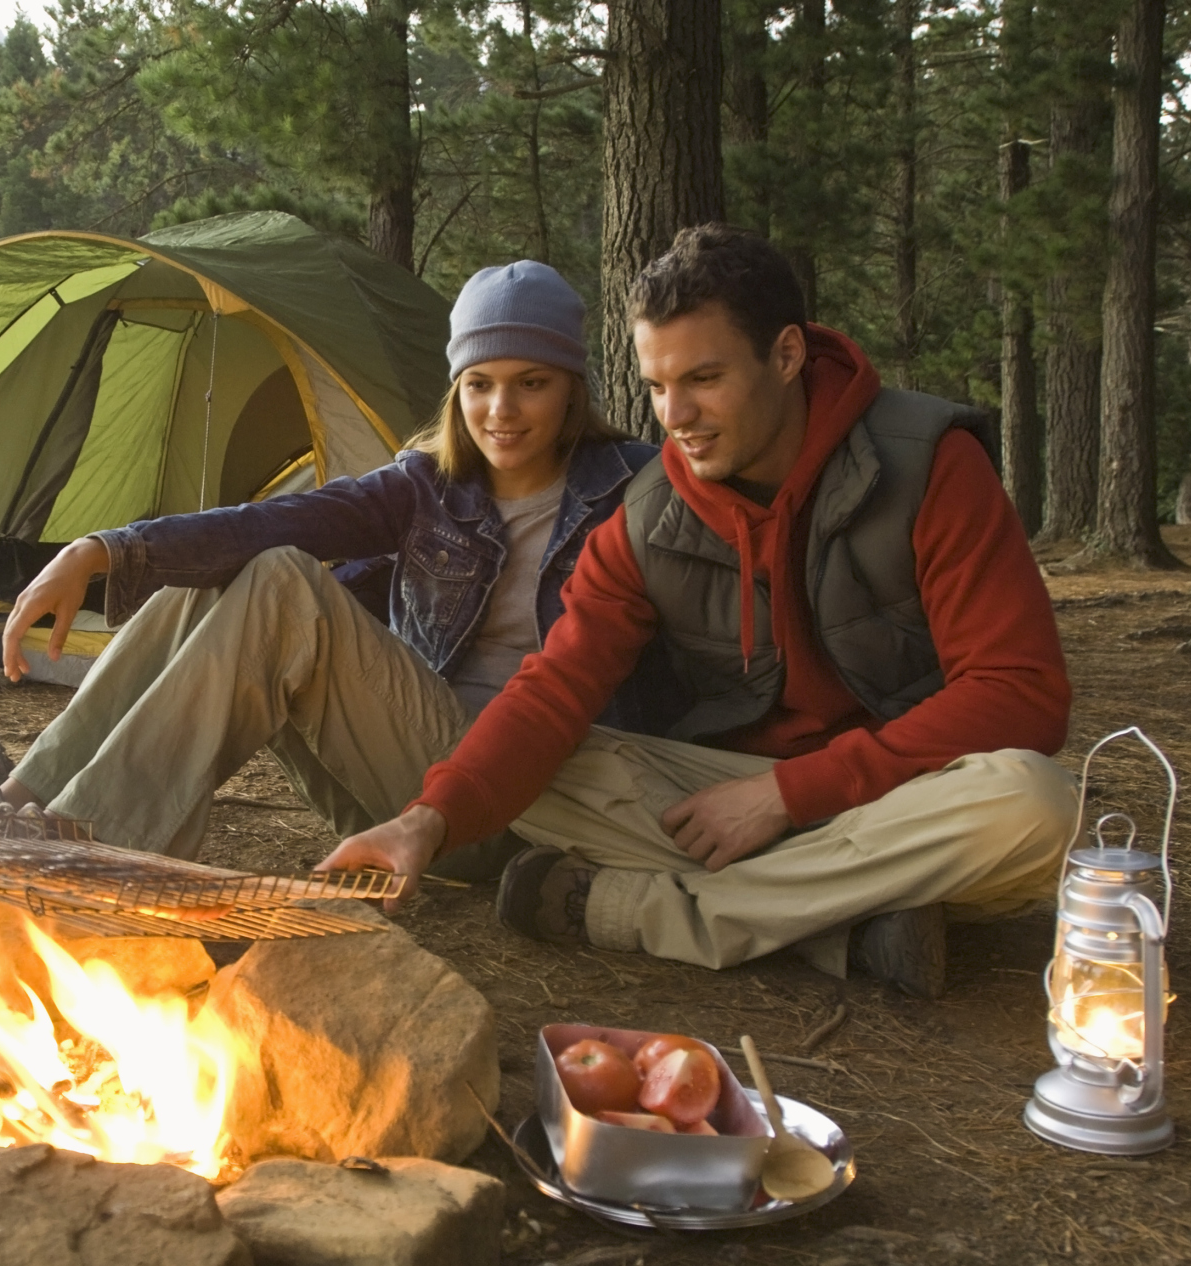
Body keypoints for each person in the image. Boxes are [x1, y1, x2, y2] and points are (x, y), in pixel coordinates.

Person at [323, 225, 1079, 998]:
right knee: (543, 770)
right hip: (721, 802)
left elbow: (1019, 693)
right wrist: (428, 820)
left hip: (899, 792)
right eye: (655, 386)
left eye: (704, 378)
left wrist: (789, 795)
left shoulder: (926, 464)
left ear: (785, 355)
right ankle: (851, 908)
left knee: (1032, 802)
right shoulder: (650, 514)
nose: (675, 415)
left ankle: (651, 912)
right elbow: (553, 688)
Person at [0, 261, 667, 867]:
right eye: (479, 384)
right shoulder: (427, 485)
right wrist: (101, 548)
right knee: (241, 564)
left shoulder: (633, 488)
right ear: (456, 389)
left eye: (531, 383)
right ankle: (17, 800)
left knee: (280, 580)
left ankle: (84, 846)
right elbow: (275, 520)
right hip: (395, 790)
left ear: (571, 388)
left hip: (522, 805)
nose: (501, 410)